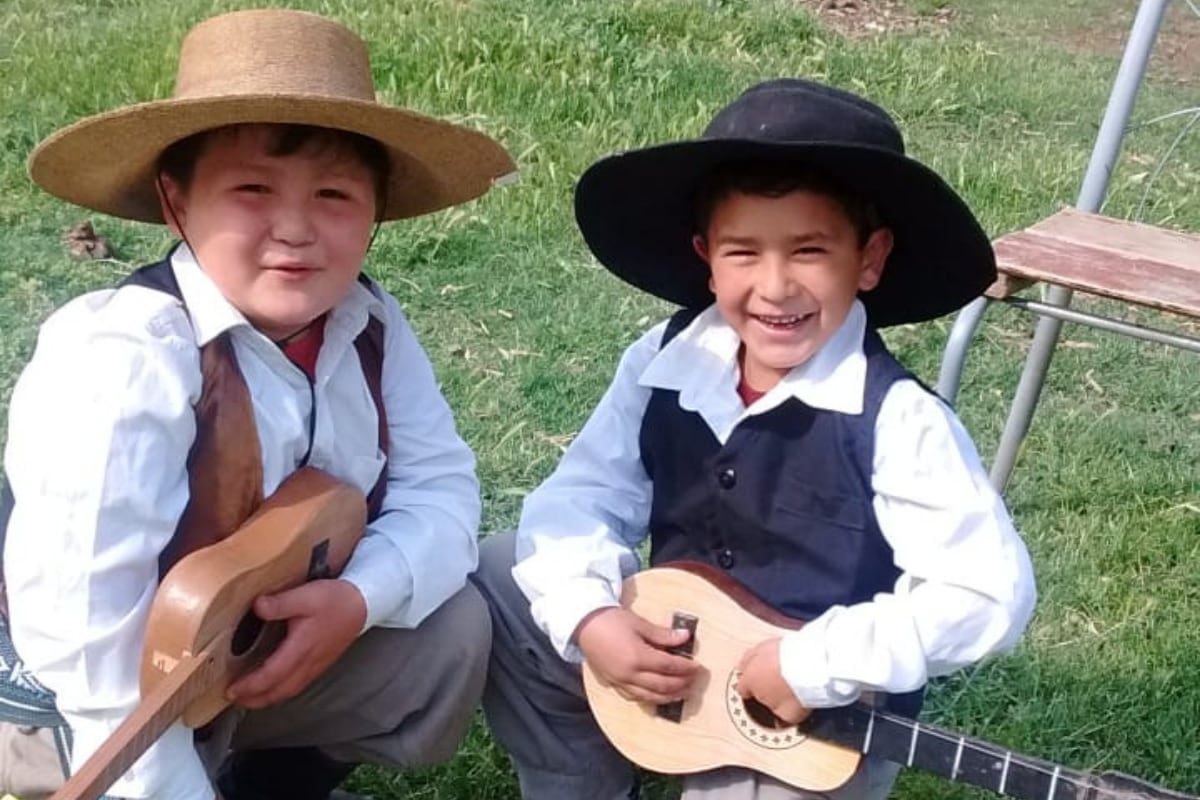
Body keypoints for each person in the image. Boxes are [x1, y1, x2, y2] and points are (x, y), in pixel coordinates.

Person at [0, 8, 516, 800]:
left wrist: (354, 599)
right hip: (74, 710)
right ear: (177, 202)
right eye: (251, 189)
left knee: (451, 634)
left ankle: (266, 781)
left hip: (231, 658)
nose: (296, 229)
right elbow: (85, 650)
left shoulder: (369, 323)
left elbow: (441, 491)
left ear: (376, 211)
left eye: (336, 195)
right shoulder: (125, 359)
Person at [472, 78, 1037, 800]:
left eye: (808, 251)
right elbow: (581, 497)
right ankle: (578, 781)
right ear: (707, 257)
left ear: (869, 259)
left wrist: (815, 665)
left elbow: (989, 592)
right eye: (744, 252)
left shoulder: (896, 416)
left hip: (804, 719)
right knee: (504, 572)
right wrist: (592, 616)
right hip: (681, 650)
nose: (774, 287)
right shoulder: (664, 360)